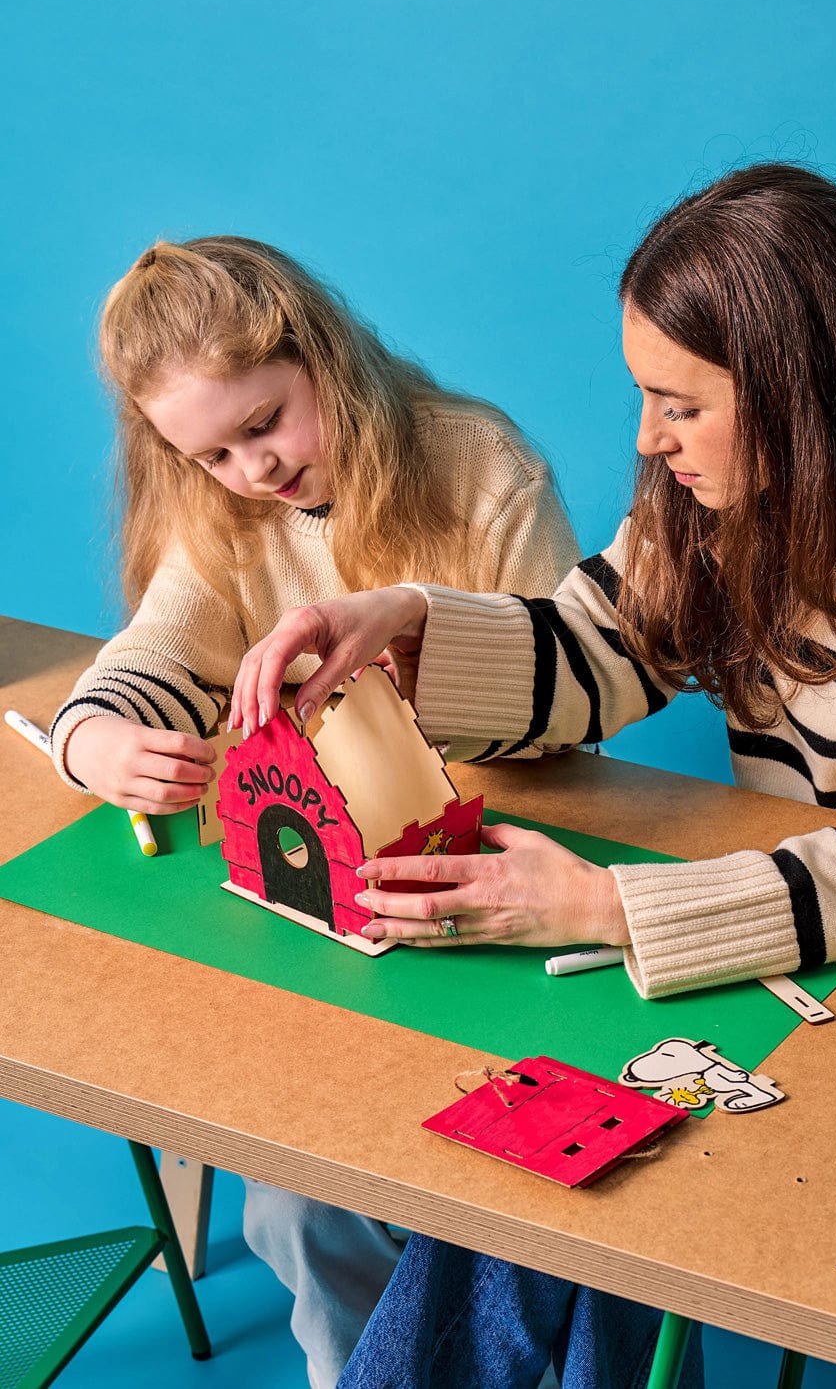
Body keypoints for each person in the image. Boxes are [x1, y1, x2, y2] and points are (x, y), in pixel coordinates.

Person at [228, 163, 836, 1387]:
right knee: (534, 1195)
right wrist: (407, 619)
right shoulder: (729, 498)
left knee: (553, 1215)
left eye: (678, 404)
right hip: (791, 933)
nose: (645, 437)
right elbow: (600, 646)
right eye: (644, 396)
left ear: (801, 394)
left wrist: (595, 904)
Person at [49, 235, 581, 1388]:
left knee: (498, 1186)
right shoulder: (226, 514)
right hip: (325, 928)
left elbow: (569, 700)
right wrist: (96, 743)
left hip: (483, 883)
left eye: (267, 423)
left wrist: (415, 677)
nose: (253, 469)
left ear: (321, 356)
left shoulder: (481, 469)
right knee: (291, 1209)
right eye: (212, 453)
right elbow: (156, 652)